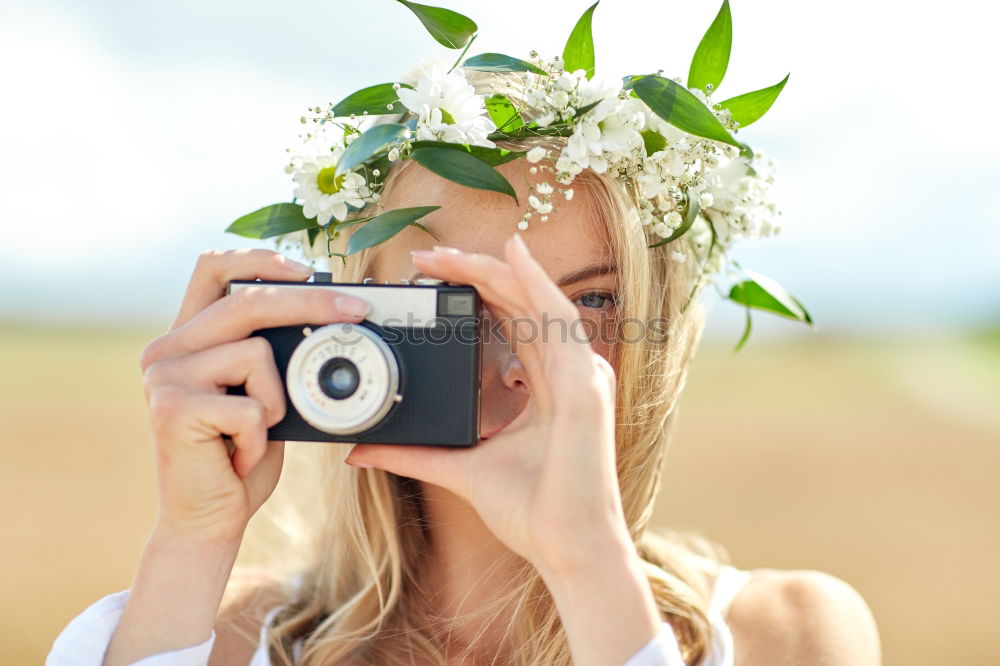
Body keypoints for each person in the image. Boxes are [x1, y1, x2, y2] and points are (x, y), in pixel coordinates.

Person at [48, 38, 882, 665]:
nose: (525, 360)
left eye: (586, 303)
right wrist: (191, 540)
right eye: (450, 302)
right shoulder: (205, 633)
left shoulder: (790, 634)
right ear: (343, 318)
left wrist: (589, 566)